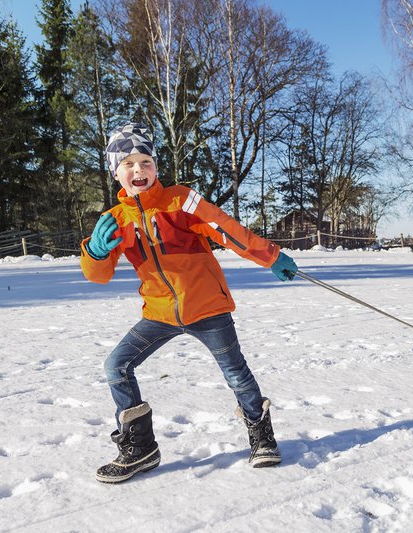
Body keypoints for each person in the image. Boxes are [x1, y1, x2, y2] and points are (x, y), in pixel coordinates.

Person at [81, 122, 299, 483]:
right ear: (115, 172)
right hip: (160, 312)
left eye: (146, 162)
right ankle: (140, 448)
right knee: (116, 365)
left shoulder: (180, 200)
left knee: (236, 373)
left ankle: (261, 437)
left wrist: (270, 256)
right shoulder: (115, 220)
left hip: (206, 306)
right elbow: (97, 275)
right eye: (128, 164)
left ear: (156, 167)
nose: (138, 170)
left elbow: (225, 228)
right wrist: (96, 252)